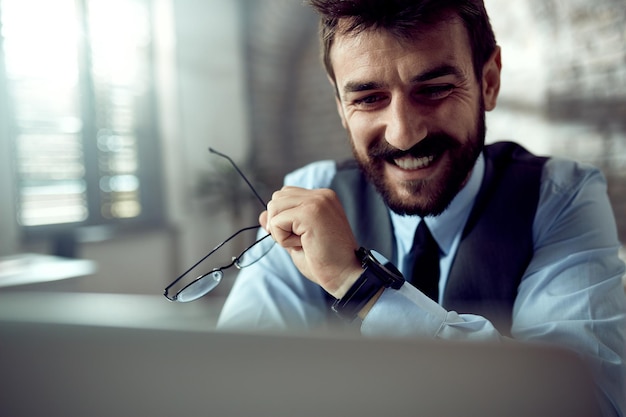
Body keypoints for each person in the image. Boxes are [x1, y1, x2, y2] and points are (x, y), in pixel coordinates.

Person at [217, 0, 626, 415]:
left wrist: (362, 287)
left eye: (433, 89)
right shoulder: (309, 195)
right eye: (369, 98)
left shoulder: (561, 196)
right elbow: (235, 388)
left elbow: (586, 402)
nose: (404, 134)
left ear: (489, 81)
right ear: (341, 106)